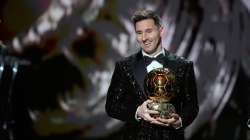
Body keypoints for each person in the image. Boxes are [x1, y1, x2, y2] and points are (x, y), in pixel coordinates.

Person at [105, 9, 199, 140]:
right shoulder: (124, 66)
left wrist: (180, 121)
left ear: (161, 31)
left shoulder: (183, 65)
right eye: (139, 33)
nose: (144, 38)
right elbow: (111, 106)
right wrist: (138, 111)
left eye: (149, 31)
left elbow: (192, 106)